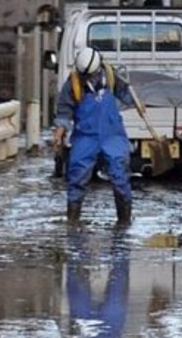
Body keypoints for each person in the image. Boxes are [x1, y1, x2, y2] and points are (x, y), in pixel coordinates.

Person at [53, 47, 138, 227]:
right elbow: (64, 111)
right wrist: (59, 134)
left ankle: (124, 221)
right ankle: (73, 219)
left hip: (112, 135)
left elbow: (128, 96)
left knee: (120, 174)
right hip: (85, 136)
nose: (88, 79)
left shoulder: (112, 76)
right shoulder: (72, 84)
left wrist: (136, 100)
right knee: (77, 174)